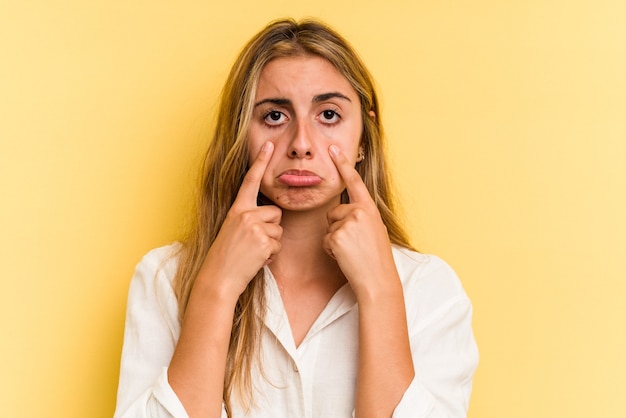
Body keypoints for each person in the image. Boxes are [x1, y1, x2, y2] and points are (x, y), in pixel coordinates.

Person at [114, 18, 478, 418]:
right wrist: (216, 289)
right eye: (274, 116)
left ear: (364, 138)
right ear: (241, 134)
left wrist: (380, 291)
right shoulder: (165, 278)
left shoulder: (430, 290)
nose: (301, 144)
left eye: (328, 115)